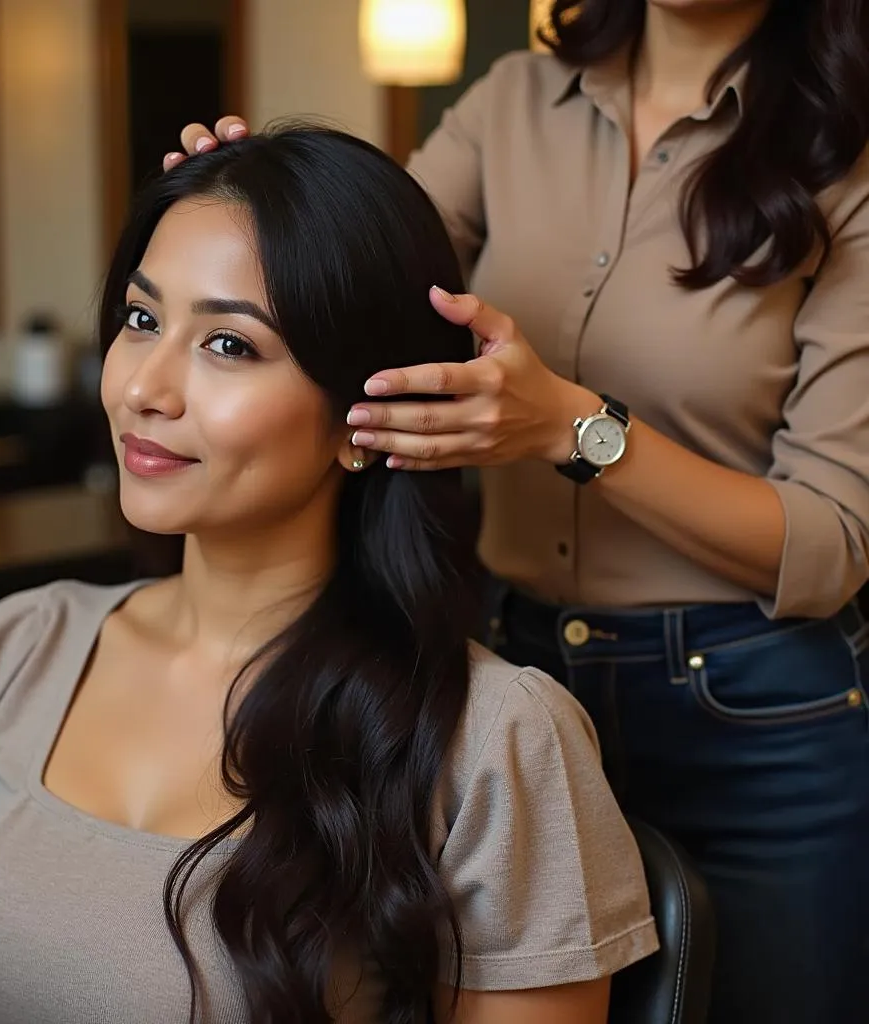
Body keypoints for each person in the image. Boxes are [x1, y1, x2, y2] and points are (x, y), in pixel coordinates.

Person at [0, 128, 657, 1024]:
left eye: (229, 345)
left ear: (365, 421)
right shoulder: (23, 643)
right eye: (143, 319)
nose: (145, 388)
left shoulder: (495, 739)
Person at [165, 0, 869, 1021]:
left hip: (757, 717)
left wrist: (571, 430)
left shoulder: (844, 151)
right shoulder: (515, 101)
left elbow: (832, 540)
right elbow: (361, 271)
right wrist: (244, 208)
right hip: (510, 674)